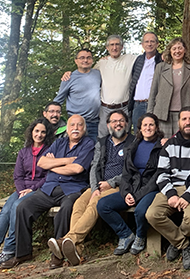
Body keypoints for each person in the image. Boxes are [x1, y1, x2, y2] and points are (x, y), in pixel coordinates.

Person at [1, 115, 95, 269]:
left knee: (65, 209)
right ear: (67, 128)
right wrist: (67, 160)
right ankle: (23, 253)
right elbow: (42, 162)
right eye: (72, 125)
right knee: (22, 207)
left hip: (72, 188)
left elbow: (77, 168)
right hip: (49, 188)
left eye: (79, 125)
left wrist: (52, 165)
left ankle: (57, 254)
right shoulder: (59, 142)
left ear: (84, 128)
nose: (76, 128)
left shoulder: (88, 144)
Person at [47, 110, 135, 267]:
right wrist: (94, 187)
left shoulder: (133, 143)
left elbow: (133, 170)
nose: (118, 124)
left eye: (121, 121)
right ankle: (76, 249)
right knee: (79, 204)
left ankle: (68, 240)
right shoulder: (102, 142)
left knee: (95, 204)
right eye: (114, 121)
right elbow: (94, 167)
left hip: (120, 186)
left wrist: (112, 183)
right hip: (98, 185)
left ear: (127, 124)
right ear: (108, 125)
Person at [146, 106, 190, 270]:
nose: (188, 122)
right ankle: (184, 244)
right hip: (172, 187)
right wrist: (171, 195)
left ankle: (176, 241)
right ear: (179, 122)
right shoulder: (169, 145)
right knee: (152, 214)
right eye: (184, 119)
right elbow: (162, 174)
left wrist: (187, 196)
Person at [0, 118, 54, 267]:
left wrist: (31, 189)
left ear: (47, 134)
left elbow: (48, 176)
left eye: (43, 132)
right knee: (5, 211)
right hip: (22, 188)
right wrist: (21, 191)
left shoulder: (49, 152)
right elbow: (17, 176)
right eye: (36, 131)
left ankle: (9, 249)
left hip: (38, 189)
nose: (39, 134)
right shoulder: (23, 152)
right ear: (31, 132)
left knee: (17, 208)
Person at [96, 113, 163, 256]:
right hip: (132, 187)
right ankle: (125, 234)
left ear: (156, 127)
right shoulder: (133, 146)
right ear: (140, 128)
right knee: (103, 205)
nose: (148, 127)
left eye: (151, 124)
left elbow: (157, 176)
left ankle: (140, 236)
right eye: (145, 125)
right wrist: (126, 193)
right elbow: (126, 173)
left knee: (140, 211)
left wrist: (137, 196)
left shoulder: (161, 146)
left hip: (151, 189)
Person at [148, 37, 190, 138]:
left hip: (185, 114)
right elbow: (153, 92)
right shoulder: (161, 67)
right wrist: (150, 114)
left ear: (185, 50)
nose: (177, 51)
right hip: (163, 114)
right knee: (164, 144)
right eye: (174, 48)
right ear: (170, 51)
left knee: (183, 142)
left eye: (180, 48)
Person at [54, 49, 101, 142]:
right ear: (76, 60)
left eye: (88, 58)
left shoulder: (98, 74)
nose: (85, 60)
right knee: (74, 152)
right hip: (75, 123)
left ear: (92, 60)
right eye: (82, 58)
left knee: (94, 152)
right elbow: (58, 100)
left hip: (94, 123)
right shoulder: (68, 78)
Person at [128, 32, 163, 131]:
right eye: (146, 42)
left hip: (154, 104)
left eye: (152, 41)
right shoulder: (138, 60)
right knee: (137, 134)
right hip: (138, 104)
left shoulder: (161, 60)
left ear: (157, 44)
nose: (149, 44)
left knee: (155, 133)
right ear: (142, 44)